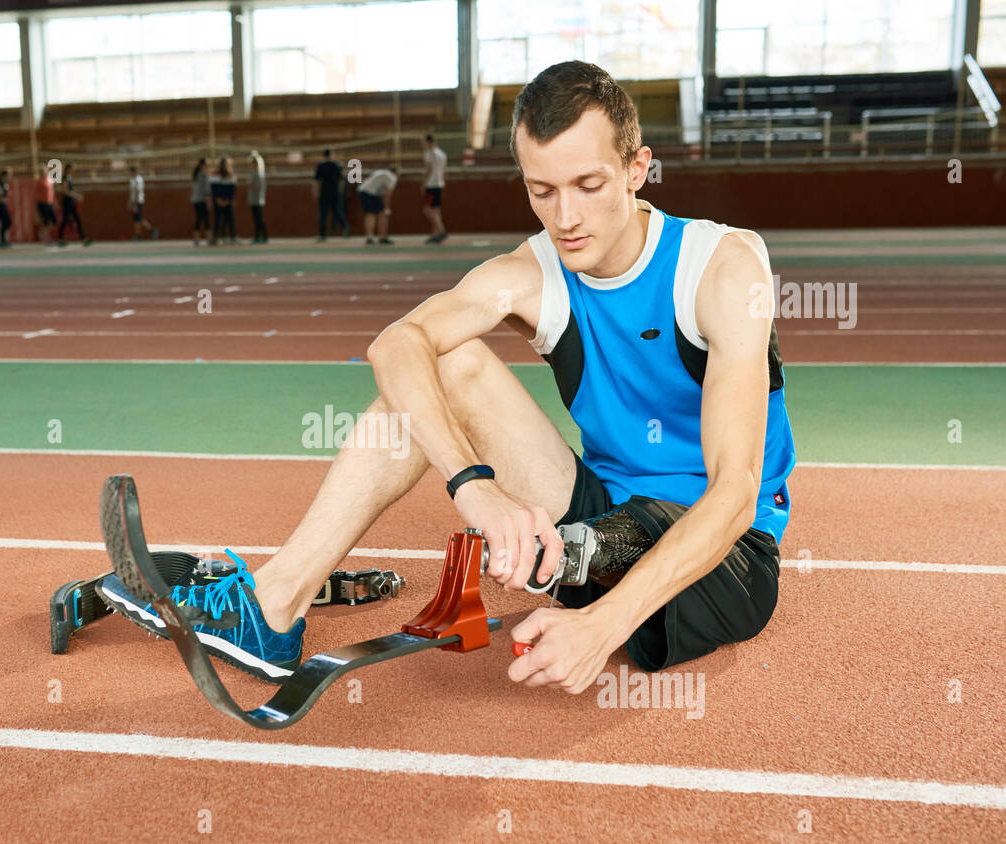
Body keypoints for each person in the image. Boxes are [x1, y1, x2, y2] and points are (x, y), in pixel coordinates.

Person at [113, 60, 796, 693]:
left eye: (588, 186)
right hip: (597, 520)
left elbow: (735, 494)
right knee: (444, 361)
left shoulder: (721, 267)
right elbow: (395, 343)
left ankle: (589, 577)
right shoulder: (533, 273)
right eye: (542, 190)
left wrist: (601, 627)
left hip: (723, 559)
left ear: (638, 168)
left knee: (639, 530)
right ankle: (273, 606)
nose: (566, 217)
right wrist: (476, 490)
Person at [357, 165, 398, 245]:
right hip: (370, 194)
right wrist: (387, 207)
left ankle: (371, 237)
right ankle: (381, 237)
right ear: (395, 173)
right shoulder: (392, 178)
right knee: (377, 214)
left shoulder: (380, 172)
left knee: (371, 214)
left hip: (363, 192)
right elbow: (388, 194)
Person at [313, 148, 347, 241]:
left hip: (324, 192)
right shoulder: (337, 165)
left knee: (323, 214)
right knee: (337, 211)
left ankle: (322, 234)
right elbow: (341, 181)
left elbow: (317, 181)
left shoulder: (321, 166)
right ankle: (345, 227)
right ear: (331, 155)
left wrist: (316, 192)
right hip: (335, 192)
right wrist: (341, 192)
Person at [421, 133, 449, 243]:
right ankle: (435, 234)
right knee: (436, 210)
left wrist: (423, 183)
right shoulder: (442, 154)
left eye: (424, 142)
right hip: (439, 184)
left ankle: (442, 231)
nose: (423, 144)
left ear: (429, 142)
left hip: (431, 185)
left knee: (428, 210)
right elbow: (443, 171)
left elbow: (428, 170)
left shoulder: (429, 154)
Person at [56, 163, 91, 247]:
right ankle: (60, 239)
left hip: (71, 203)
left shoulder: (69, 178)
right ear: (68, 169)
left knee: (77, 219)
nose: (73, 170)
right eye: (72, 168)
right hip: (67, 202)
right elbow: (65, 191)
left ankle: (83, 238)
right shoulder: (65, 178)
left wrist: (76, 195)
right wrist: (77, 196)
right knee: (65, 220)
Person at [209, 156, 237, 245]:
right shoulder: (215, 174)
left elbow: (232, 189)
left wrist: (228, 200)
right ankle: (215, 238)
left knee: (230, 219)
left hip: (227, 201)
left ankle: (232, 237)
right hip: (218, 201)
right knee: (218, 219)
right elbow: (214, 188)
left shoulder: (231, 175)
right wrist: (218, 199)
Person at [128, 165, 157, 241]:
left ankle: (140, 235)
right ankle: (148, 231)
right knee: (137, 219)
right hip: (134, 202)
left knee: (138, 219)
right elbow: (132, 192)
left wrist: (135, 204)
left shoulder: (138, 180)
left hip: (138, 202)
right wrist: (130, 202)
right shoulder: (132, 180)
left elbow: (138, 192)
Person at [247, 150, 268, 244]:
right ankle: (258, 236)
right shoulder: (253, 173)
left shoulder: (258, 174)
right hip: (254, 199)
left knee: (259, 219)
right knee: (256, 219)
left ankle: (263, 236)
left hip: (257, 199)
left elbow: (257, 186)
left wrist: (250, 184)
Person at [34, 163, 57, 244]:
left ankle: (43, 233)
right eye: (41, 171)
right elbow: (36, 195)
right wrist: (36, 209)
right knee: (46, 222)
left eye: (43, 171)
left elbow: (52, 192)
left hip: (49, 203)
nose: (42, 172)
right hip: (42, 203)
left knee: (54, 221)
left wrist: (55, 202)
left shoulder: (50, 180)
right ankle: (47, 238)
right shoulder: (39, 181)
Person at [190, 158, 211, 246]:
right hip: (202, 200)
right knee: (206, 219)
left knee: (198, 219)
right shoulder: (203, 175)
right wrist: (208, 202)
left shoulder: (195, 175)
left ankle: (196, 239)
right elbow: (206, 190)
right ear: (203, 165)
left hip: (195, 200)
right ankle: (209, 239)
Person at [0, 167, 13, 248]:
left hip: (3, 205)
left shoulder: (5, 184)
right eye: (7, 176)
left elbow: (4, 195)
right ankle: (1, 241)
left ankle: (3, 240)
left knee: (7, 222)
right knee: (1, 223)